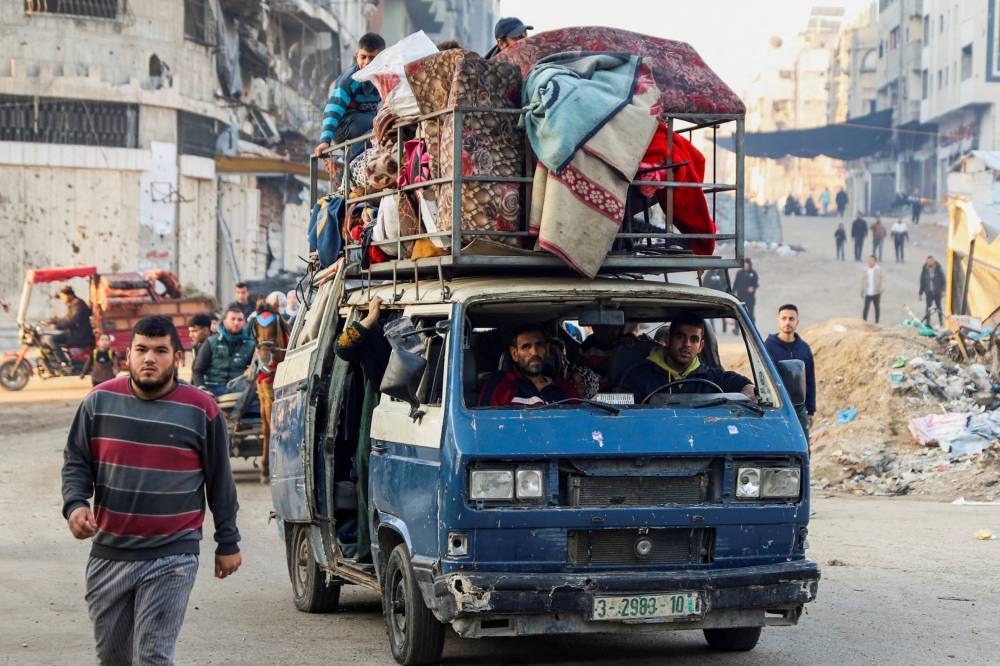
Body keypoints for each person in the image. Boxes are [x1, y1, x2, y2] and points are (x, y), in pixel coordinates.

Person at [61, 315, 241, 666]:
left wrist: (228, 541)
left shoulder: (201, 409)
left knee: (153, 656)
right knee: (113, 658)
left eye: (160, 351)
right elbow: (76, 461)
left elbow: (221, 480)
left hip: (172, 553)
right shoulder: (97, 403)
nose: (149, 358)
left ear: (177, 358)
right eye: (141, 350)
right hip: (110, 553)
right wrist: (76, 504)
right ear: (126, 355)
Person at [334, 296, 392, 562]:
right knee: (367, 479)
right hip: (376, 411)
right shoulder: (375, 332)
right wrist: (369, 319)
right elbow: (342, 347)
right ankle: (367, 548)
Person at [618, 315, 755, 402]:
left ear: (700, 346)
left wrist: (746, 397)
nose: (687, 344)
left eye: (694, 339)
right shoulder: (638, 376)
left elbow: (750, 389)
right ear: (668, 339)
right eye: (680, 337)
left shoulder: (715, 378)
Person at [313, 32, 385, 162]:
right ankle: (345, 161)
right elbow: (332, 111)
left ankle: (353, 159)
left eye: (372, 58)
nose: (367, 63)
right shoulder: (350, 80)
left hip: (365, 126)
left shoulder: (382, 79)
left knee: (382, 128)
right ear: (356, 56)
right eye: (363, 57)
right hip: (344, 126)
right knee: (379, 124)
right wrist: (325, 141)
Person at [478, 324, 579, 406]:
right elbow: (484, 425)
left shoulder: (564, 388)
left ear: (547, 350)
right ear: (514, 354)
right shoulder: (499, 385)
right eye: (526, 347)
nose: (534, 352)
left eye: (539, 345)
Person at [764, 305, 816, 443]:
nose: (787, 322)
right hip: (777, 407)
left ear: (797, 321)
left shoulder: (804, 349)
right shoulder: (768, 346)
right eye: (784, 318)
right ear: (778, 320)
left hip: (799, 409)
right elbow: (763, 377)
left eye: (791, 319)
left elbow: (810, 380)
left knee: (802, 445)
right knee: (779, 445)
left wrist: (810, 410)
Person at [192, 307, 255, 396]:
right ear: (225, 322)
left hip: (239, 387)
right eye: (233, 319)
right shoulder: (210, 342)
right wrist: (202, 388)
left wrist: (250, 371)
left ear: (244, 323)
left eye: (240, 320)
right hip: (213, 387)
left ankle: (237, 410)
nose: (236, 322)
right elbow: (198, 371)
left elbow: (256, 369)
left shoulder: (251, 345)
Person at [50, 285, 95, 366]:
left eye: (63, 296)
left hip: (79, 334)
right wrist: (55, 321)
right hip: (76, 332)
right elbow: (67, 318)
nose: (62, 299)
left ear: (69, 295)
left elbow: (72, 320)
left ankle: (63, 362)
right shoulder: (74, 303)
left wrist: (57, 326)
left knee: (52, 339)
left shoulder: (78, 304)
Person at [919, 255, 945, 327]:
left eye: (931, 261)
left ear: (933, 262)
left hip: (937, 292)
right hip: (928, 292)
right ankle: (927, 323)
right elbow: (922, 281)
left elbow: (943, 280)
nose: (929, 263)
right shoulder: (924, 269)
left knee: (939, 307)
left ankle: (941, 322)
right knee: (928, 308)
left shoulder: (938, 269)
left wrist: (943, 290)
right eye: (928, 261)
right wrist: (920, 293)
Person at [733, 258, 759, 324]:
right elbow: (736, 283)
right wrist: (732, 292)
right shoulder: (739, 273)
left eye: (747, 266)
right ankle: (737, 329)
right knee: (740, 312)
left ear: (750, 265)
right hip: (740, 296)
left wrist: (753, 287)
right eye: (744, 265)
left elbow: (756, 284)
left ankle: (753, 327)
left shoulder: (753, 273)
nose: (746, 267)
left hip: (750, 297)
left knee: (751, 313)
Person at [860, 255, 883, 323]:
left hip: (876, 292)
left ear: (875, 262)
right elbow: (863, 281)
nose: (870, 261)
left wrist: (881, 289)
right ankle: (864, 322)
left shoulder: (879, 270)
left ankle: (876, 322)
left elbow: (883, 280)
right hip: (868, 293)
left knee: (877, 308)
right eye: (869, 260)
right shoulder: (865, 270)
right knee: (866, 308)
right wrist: (862, 290)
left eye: (872, 260)